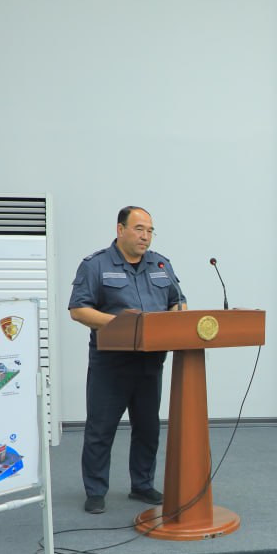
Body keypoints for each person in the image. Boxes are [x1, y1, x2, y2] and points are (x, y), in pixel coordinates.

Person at [68, 206, 186, 514]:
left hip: (150, 362)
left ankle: (142, 485)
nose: (145, 236)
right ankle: (96, 491)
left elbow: (178, 302)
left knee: (147, 428)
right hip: (111, 364)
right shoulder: (96, 265)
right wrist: (121, 325)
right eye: (139, 229)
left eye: (150, 230)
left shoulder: (161, 264)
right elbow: (78, 309)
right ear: (120, 230)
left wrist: (175, 320)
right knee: (100, 429)